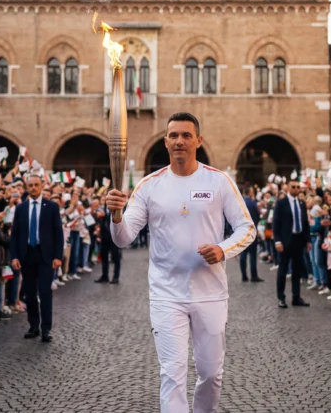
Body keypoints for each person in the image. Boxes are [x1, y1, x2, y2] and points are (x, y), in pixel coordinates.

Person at [105, 112, 256, 413]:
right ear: (165, 141)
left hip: (210, 293)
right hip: (166, 294)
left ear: (199, 140)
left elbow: (247, 228)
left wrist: (222, 249)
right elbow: (123, 238)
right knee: (172, 375)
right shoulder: (149, 185)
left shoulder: (218, 181)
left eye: (186, 135)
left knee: (211, 375)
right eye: (173, 135)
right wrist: (116, 215)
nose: (180, 141)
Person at [9, 174, 64, 343]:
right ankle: (34, 325)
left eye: (36, 185)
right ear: (27, 187)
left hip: (45, 255)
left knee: (45, 292)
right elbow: (15, 234)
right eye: (30, 185)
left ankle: (46, 328)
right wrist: (14, 256)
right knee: (30, 294)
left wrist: (58, 256)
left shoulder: (51, 207)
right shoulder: (21, 208)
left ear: (41, 186)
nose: (33, 188)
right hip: (27, 255)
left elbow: (58, 233)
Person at [273, 180, 310, 308]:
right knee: (283, 269)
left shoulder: (301, 203)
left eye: (298, 187)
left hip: (298, 239)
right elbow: (276, 223)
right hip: (285, 240)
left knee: (297, 269)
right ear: (288, 188)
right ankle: (281, 297)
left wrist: (308, 240)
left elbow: (305, 223)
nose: (296, 189)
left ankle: (296, 296)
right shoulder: (281, 203)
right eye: (293, 187)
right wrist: (277, 240)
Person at [94, 198, 122, 284]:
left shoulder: (118, 207)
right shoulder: (104, 207)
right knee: (104, 256)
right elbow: (101, 220)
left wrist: (104, 216)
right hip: (105, 236)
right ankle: (105, 275)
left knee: (115, 257)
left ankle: (116, 277)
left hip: (114, 236)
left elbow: (117, 218)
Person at [239, 190, 262, 283]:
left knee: (243, 254)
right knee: (252, 255)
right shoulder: (253, 203)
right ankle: (254, 276)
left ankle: (244, 275)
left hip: (241, 232)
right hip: (251, 231)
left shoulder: (239, 203)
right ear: (250, 193)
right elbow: (257, 217)